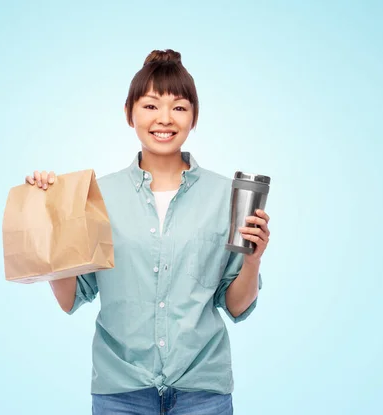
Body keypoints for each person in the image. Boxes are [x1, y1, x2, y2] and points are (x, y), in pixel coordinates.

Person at [25, 49, 270, 415]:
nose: (165, 119)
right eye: (151, 106)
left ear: (194, 117)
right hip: (121, 391)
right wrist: (51, 214)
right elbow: (70, 297)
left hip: (202, 391)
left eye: (179, 107)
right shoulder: (97, 195)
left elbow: (235, 305)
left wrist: (252, 262)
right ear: (130, 114)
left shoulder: (227, 196)